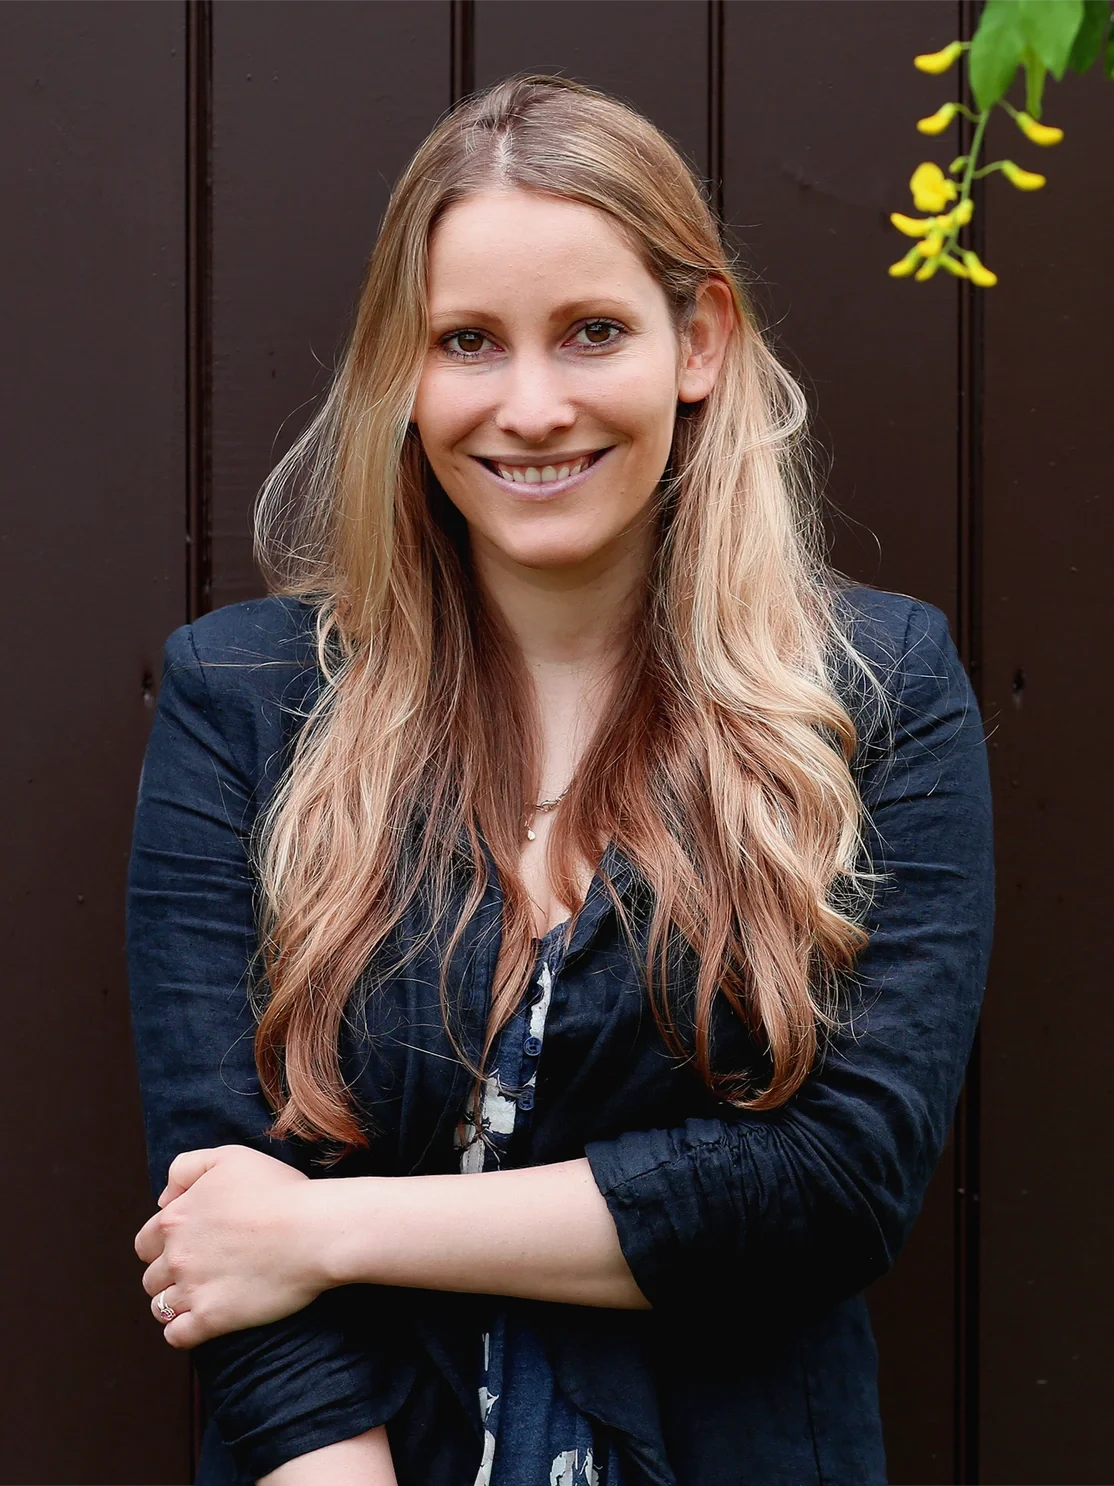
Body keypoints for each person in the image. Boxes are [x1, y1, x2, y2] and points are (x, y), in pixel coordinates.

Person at [128, 74, 994, 1486]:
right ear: (404, 372)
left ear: (696, 338)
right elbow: (217, 1209)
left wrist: (332, 1230)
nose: (530, 407)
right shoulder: (244, 700)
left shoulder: (870, 693)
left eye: (590, 332)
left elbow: (836, 1189)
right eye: (467, 341)